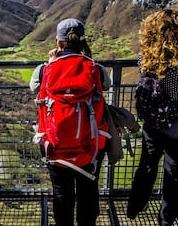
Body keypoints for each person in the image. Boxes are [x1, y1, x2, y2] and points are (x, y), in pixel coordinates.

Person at [30, 18, 111, 226]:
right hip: (90, 144)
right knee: (88, 190)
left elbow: (34, 88)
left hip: (54, 145)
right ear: (82, 42)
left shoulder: (43, 70)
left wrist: (51, 63)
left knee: (62, 194)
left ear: (58, 43)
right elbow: (107, 85)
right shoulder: (96, 69)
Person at [127, 9, 178, 225]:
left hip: (153, 123)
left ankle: (135, 206)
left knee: (147, 165)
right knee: (174, 174)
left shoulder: (145, 59)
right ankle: (166, 219)